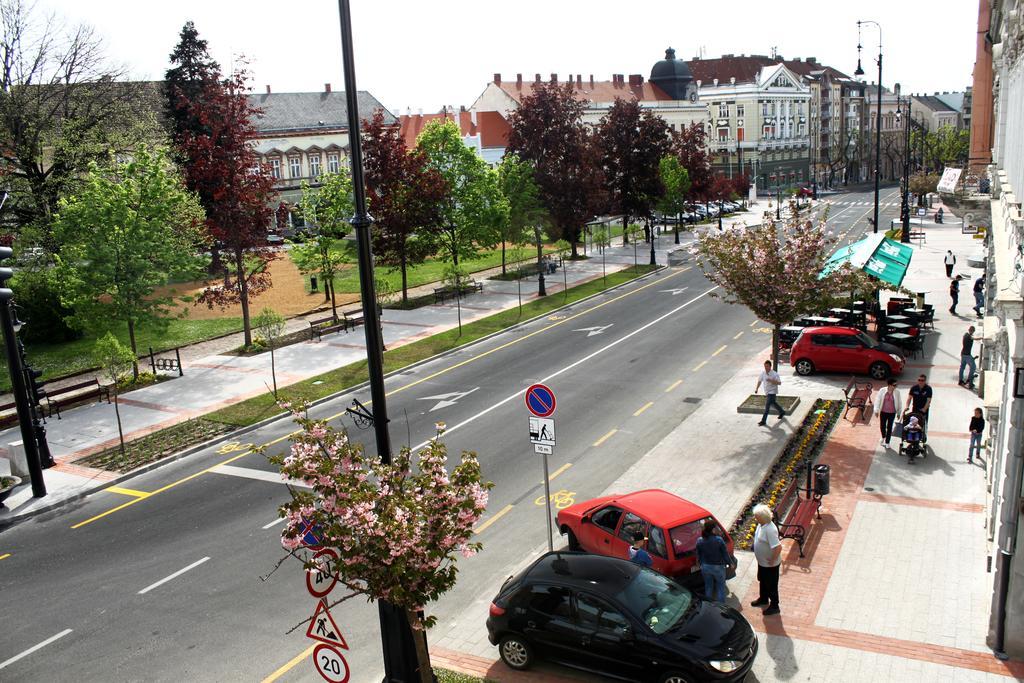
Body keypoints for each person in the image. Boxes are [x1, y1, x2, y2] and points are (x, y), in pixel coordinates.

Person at [750, 504, 782, 616]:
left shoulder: (770, 529)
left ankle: (774, 606)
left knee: (771, 585)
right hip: (763, 563)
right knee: (762, 581)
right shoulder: (761, 524)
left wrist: (773, 560)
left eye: (756, 516)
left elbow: (778, 547)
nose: (755, 518)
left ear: (763, 517)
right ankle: (763, 599)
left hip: (770, 565)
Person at [696, 520, 731, 603]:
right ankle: (721, 607)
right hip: (718, 567)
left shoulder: (700, 540)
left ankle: (708, 604)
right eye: (715, 528)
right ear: (712, 530)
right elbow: (725, 553)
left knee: (708, 586)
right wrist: (729, 563)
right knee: (720, 586)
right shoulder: (719, 540)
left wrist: (700, 564)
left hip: (705, 567)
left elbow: (698, 554)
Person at [755, 359, 785, 426]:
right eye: (765, 366)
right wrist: (756, 389)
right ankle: (782, 412)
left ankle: (763, 421)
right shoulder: (763, 373)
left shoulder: (774, 374)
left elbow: (779, 383)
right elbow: (759, 381)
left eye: (767, 366)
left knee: (767, 406)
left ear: (770, 366)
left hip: (772, 392)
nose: (766, 368)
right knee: (773, 403)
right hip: (767, 392)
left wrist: (771, 381)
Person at [874, 378, 902, 448]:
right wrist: (876, 410)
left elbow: (899, 402)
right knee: (882, 426)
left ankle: (887, 442)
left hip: (892, 413)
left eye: (896, 385)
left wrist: (899, 412)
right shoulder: (882, 390)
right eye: (894, 385)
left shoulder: (897, 392)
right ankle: (883, 436)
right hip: (883, 412)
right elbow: (877, 400)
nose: (896, 386)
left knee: (889, 427)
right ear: (889, 385)